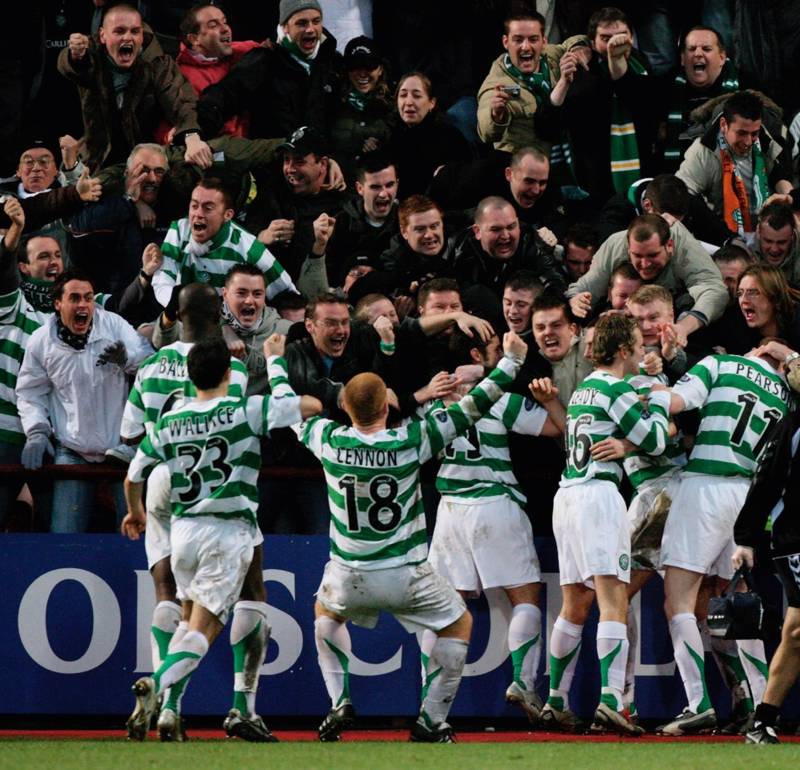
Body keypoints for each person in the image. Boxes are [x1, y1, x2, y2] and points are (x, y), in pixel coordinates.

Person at [292, 331, 530, 742]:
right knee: (458, 624)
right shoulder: (411, 439)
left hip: (349, 573)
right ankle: (432, 719)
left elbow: (289, 409)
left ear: (346, 407)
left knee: (325, 618)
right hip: (405, 572)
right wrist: (510, 363)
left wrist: (278, 364)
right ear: (387, 405)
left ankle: (339, 701)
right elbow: (473, 407)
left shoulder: (329, 440)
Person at [122, 335, 322, 741]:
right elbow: (311, 407)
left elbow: (133, 474)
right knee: (203, 630)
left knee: (187, 615)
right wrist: (276, 364)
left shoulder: (168, 422)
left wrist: (136, 511)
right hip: (228, 531)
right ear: (229, 374)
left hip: (184, 534)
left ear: (190, 379)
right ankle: (157, 684)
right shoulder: (244, 410)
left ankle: (171, 708)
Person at [120, 283, 268, 741]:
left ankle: (171, 710)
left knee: (168, 591)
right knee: (252, 590)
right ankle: (240, 707)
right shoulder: (232, 367)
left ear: (176, 315)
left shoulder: (150, 367)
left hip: (160, 475)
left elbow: (129, 434)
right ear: (218, 313)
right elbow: (243, 416)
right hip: (214, 486)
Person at [422, 330, 565, 724]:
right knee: (525, 597)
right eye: (490, 350)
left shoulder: (435, 401)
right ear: (475, 355)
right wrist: (550, 402)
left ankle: (427, 695)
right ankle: (523, 680)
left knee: (443, 609)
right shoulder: (496, 397)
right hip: (494, 501)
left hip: (450, 509)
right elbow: (557, 428)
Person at [542, 313, 670, 735]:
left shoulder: (583, 390)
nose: (641, 348)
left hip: (567, 497)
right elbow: (655, 439)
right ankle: (612, 699)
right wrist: (641, 426)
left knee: (574, 603)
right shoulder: (615, 387)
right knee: (613, 599)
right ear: (621, 349)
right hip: (598, 498)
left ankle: (555, 700)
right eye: (636, 342)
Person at [657, 346, 792, 735]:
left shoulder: (722, 363)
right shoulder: (784, 395)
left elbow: (679, 400)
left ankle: (697, 703)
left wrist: (644, 388)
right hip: (746, 496)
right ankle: (762, 705)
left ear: (757, 351)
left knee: (679, 599)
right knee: (741, 602)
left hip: (704, 486)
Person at [15, 269, 153, 532]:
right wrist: (36, 432)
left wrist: (128, 360)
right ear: (58, 304)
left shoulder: (113, 324)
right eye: (75, 298)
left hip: (120, 450)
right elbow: (30, 393)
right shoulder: (41, 341)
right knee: (65, 534)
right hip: (72, 449)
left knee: (135, 534)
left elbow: (149, 362)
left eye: (88, 298)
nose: (83, 305)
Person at [731, 340, 800, 744]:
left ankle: (763, 720)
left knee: (795, 630)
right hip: (795, 538)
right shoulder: (791, 426)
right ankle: (762, 720)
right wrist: (747, 537)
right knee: (797, 630)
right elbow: (766, 482)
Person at [58, 4, 212, 171]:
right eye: (119, 31)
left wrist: (192, 137)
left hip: (146, 156)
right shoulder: (92, 57)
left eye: (135, 31)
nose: (128, 38)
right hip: (97, 156)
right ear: (103, 35)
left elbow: (180, 100)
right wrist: (75, 56)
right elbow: (70, 67)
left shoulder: (158, 63)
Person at [548, 7, 655, 206]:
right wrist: (609, 64)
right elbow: (588, 109)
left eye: (622, 36)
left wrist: (618, 65)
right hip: (594, 174)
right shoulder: (581, 66)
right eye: (606, 38)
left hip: (640, 169)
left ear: (632, 37)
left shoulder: (639, 63)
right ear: (592, 42)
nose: (615, 43)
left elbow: (644, 105)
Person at [567, 213, 728, 342]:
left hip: (677, 325)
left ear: (669, 246)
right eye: (637, 255)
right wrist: (576, 299)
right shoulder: (615, 246)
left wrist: (683, 328)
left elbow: (715, 291)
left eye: (652, 255)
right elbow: (584, 288)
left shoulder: (684, 247)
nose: (645, 264)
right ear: (628, 248)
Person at [197, 0, 343, 142]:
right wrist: (193, 134)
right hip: (277, 160)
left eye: (316, 21)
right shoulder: (264, 60)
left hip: (322, 160)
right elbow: (222, 96)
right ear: (285, 27)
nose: (310, 29)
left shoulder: (331, 61)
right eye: (301, 23)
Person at [152, 178, 297, 305]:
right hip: (185, 317)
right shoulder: (179, 230)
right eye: (194, 206)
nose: (198, 214)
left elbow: (288, 294)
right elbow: (162, 282)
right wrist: (181, 307)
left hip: (230, 327)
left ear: (228, 215)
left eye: (208, 208)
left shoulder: (248, 248)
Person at [677, 91, 793, 238]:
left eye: (754, 134)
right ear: (724, 125)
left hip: (766, 230)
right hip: (720, 232)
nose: (748, 142)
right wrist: (725, 237)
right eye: (742, 133)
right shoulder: (703, 151)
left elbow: (780, 174)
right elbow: (683, 195)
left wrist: (788, 197)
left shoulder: (766, 139)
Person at [244, 125, 345, 282]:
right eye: (286, 160)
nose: (290, 169)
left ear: (323, 165)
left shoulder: (340, 207)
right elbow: (243, 241)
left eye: (299, 161)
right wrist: (263, 237)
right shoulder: (272, 193)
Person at [166, 4, 263, 139]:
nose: (225, 29)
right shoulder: (182, 78)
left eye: (224, 22)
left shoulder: (242, 51)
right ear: (194, 39)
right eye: (213, 25)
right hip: (222, 151)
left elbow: (270, 48)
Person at [476, 10, 561, 155]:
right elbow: (486, 132)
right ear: (505, 42)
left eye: (533, 39)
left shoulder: (551, 55)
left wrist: (579, 47)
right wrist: (495, 115)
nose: (526, 47)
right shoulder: (497, 83)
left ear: (544, 41)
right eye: (518, 40)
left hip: (565, 157)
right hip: (523, 167)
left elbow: (570, 44)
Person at [660, 26, 739, 172]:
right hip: (677, 177)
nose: (697, 53)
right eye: (691, 49)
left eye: (706, 49)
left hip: (728, 174)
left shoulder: (745, 87)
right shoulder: (665, 88)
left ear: (722, 57)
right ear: (683, 59)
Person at [387, 72, 472, 198]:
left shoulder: (450, 137)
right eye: (403, 95)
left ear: (432, 102)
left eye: (417, 96)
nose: (408, 102)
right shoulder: (390, 137)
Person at [325, 154, 399, 287]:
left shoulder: (407, 222)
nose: (383, 194)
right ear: (360, 188)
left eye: (389, 185)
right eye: (375, 187)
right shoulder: (340, 223)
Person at [329, 37, 393, 182]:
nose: (362, 74)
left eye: (369, 67)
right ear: (346, 70)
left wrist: (382, 149)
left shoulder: (395, 105)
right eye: (355, 67)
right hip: (338, 189)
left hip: (378, 190)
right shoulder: (331, 102)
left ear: (381, 69)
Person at [737, 264, 800, 351]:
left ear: (775, 298)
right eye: (740, 293)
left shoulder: (796, 322)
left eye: (753, 292)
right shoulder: (736, 328)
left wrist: (787, 355)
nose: (743, 300)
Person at [752, 201, 800, 288]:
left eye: (782, 242)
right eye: (768, 241)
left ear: (792, 236)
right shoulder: (745, 253)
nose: (774, 249)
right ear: (759, 233)